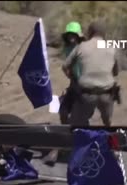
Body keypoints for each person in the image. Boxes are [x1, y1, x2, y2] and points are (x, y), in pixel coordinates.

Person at [63, 20, 120, 127]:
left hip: (86, 94)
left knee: (76, 124)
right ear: (104, 34)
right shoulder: (111, 47)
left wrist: (72, 77)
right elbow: (115, 72)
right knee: (109, 124)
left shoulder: (81, 47)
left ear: (90, 32)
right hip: (107, 94)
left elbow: (65, 66)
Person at [43, 21, 84, 166]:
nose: (71, 37)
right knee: (63, 111)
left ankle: (58, 149)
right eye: (69, 35)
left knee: (77, 119)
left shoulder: (82, 48)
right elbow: (69, 69)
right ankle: (68, 140)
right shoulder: (68, 49)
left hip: (84, 86)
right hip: (74, 85)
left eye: (74, 35)